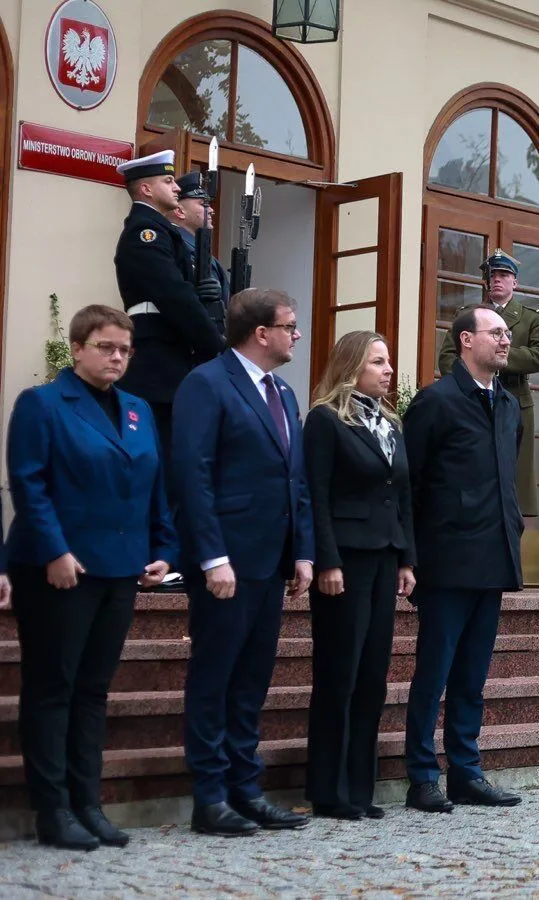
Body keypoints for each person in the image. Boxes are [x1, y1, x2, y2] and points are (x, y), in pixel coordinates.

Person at [6, 305, 177, 850]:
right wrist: (55, 549)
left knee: (93, 691)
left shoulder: (137, 411)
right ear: (78, 348)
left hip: (122, 568)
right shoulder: (43, 405)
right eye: (106, 347)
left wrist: (164, 549)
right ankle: (52, 809)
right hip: (59, 570)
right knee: (53, 688)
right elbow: (28, 485)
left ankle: (88, 803)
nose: (117, 357)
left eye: (125, 350)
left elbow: (154, 486)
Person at [170, 288, 314, 836]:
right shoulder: (206, 384)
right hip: (225, 562)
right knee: (215, 678)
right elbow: (193, 475)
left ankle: (244, 789)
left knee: (252, 681)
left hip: (271, 561)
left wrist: (302, 550)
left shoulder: (283, 392)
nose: (296, 334)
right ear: (261, 334)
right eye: (290, 326)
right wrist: (211, 557)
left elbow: (292, 477)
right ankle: (210, 797)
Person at [403, 305, 525, 813]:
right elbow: (407, 484)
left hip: (493, 556)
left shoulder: (509, 405)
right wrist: (408, 557)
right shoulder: (436, 402)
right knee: (434, 672)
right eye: (494, 332)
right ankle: (421, 777)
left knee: (473, 674)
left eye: (506, 333)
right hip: (446, 558)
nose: (504, 340)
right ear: (465, 342)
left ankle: (466, 772)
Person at [303, 331, 418, 820]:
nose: (388, 369)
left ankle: (359, 788)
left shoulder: (391, 421)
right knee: (339, 673)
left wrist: (408, 559)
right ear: (352, 366)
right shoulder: (326, 421)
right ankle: (329, 791)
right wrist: (325, 559)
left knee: (372, 675)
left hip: (385, 557)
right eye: (378, 361)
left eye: (388, 361)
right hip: (344, 562)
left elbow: (404, 497)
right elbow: (317, 495)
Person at [113, 150, 226, 455]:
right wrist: (216, 346)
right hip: (157, 363)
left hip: (171, 357)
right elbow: (174, 297)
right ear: (146, 189)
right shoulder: (144, 233)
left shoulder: (160, 232)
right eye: (168, 181)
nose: (176, 187)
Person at [437, 249, 539, 517]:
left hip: (514, 400)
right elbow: (446, 358)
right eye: (492, 276)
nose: (496, 280)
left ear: (515, 282)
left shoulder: (530, 317)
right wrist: (475, 374)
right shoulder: (467, 315)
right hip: (471, 400)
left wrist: (495, 357)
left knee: (513, 480)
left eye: (503, 275)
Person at [168, 171, 229, 340]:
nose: (211, 211)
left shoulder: (204, 252)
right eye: (203, 204)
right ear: (180, 211)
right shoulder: (174, 246)